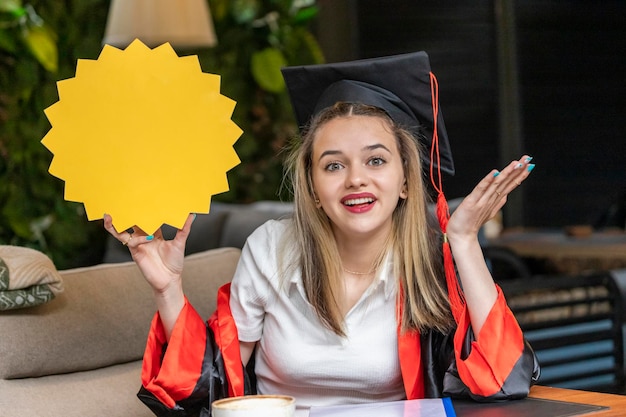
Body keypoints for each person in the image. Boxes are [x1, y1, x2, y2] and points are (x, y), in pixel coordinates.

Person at [104, 51, 539, 416]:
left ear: (405, 181)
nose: (355, 180)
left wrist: (462, 242)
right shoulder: (271, 250)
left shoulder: (429, 263)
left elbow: (502, 380)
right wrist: (168, 289)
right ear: (312, 188)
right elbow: (215, 387)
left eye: (376, 161)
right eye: (333, 165)